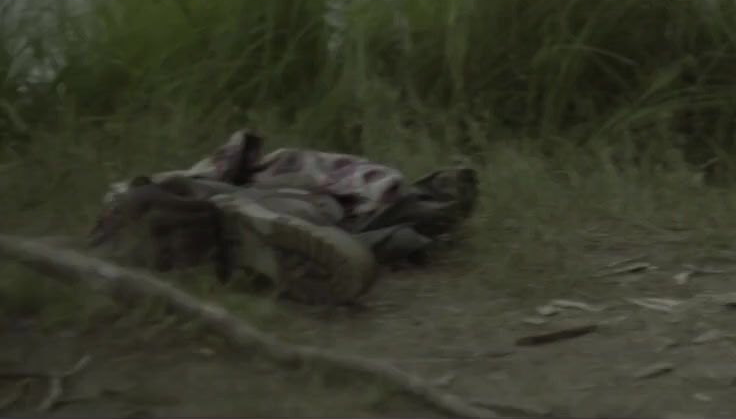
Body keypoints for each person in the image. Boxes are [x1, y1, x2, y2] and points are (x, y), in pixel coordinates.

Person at [89, 130, 478, 306]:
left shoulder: (392, 211)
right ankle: (217, 225)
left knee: (175, 203)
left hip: (280, 203)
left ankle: (211, 229)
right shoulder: (387, 194)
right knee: (183, 199)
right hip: (278, 200)